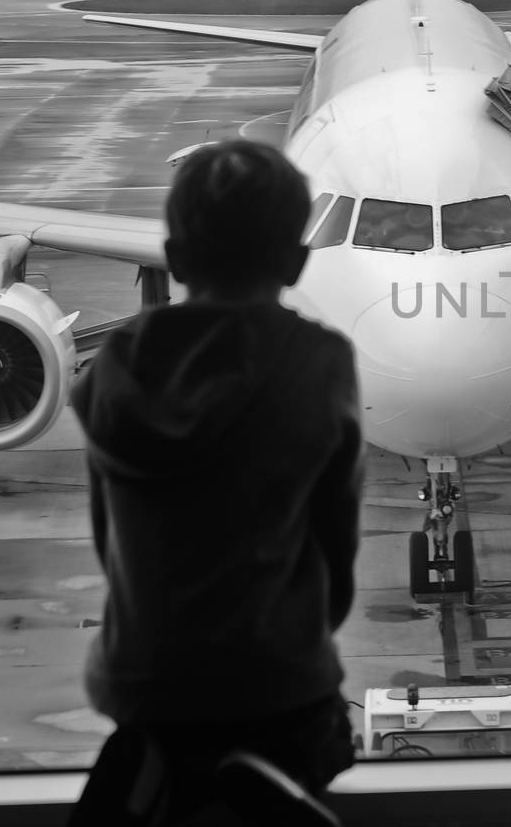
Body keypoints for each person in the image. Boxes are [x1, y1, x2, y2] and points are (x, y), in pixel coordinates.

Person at [67, 140, 364, 826]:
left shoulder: (116, 364)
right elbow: (335, 553)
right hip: (279, 687)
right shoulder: (317, 364)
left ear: (173, 256)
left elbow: (108, 539)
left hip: (145, 689)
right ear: (295, 260)